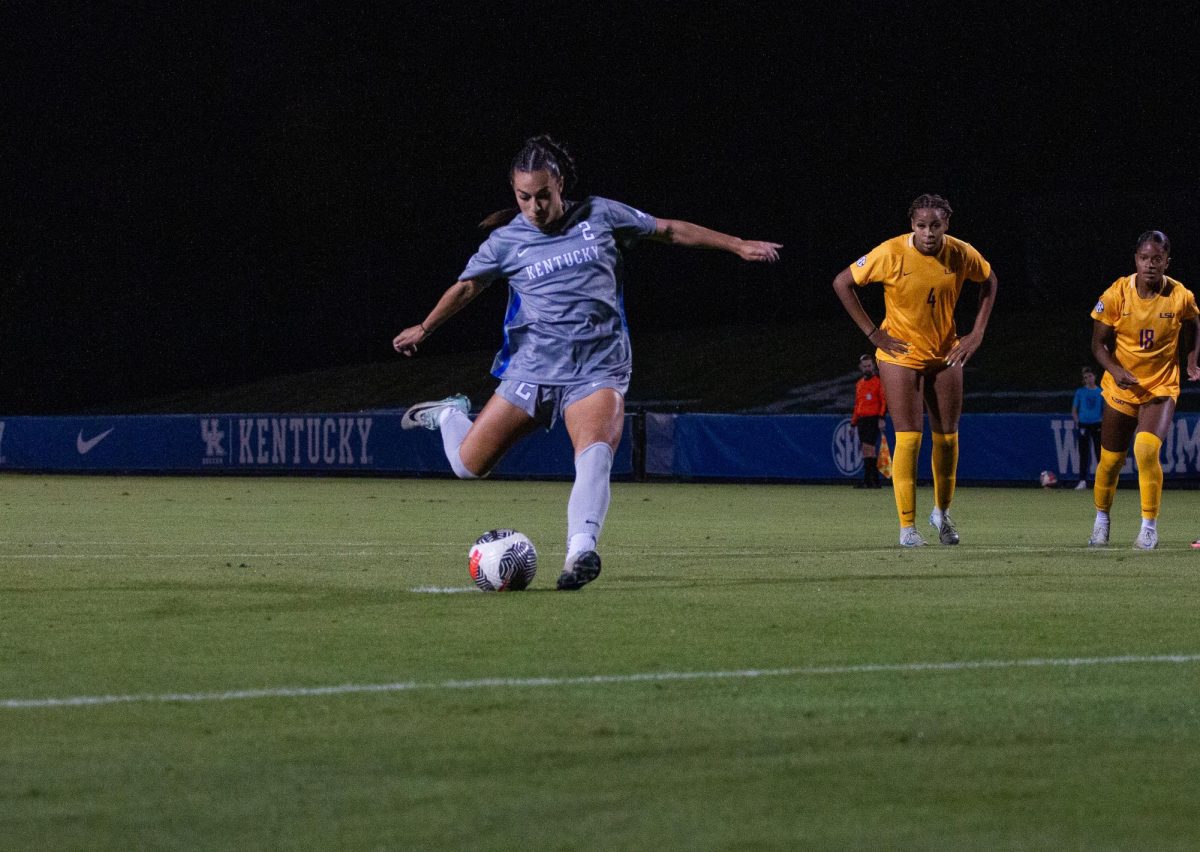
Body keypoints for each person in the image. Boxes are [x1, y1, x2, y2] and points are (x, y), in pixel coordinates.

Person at [393, 135, 781, 589]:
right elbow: (466, 288)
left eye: (543, 196)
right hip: (532, 370)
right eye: (523, 198)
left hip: (598, 368)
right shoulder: (506, 242)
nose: (534, 207)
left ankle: (581, 553)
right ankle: (450, 414)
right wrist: (425, 327)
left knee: (594, 455)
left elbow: (669, 229)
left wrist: (735, 244)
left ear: (559, 185)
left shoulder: (600, 215)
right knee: (467, 466)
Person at [832, 193, 998, 547]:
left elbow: (989, 281)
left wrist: (977, 332)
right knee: (908, 438)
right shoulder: (890, 252)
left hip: (944, 353)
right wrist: (874, 334)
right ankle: (907, 527)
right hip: (900, 354)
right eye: (921, 226)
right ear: (912, 225)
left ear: (946, 225)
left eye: (935, 225)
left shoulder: (960, 252)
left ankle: (942, 512)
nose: (928, 233)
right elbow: (841, 282)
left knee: (948, 438)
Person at [1086, 230, 1200, 550]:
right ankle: (1101, 521)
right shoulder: (1115, 295)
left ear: (1167, 261)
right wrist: (1115, 370)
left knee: (1147, 450)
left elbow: (1194, 323)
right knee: (1110, 462)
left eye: (1157, 259)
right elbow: (1097, 345)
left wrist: (1191, 358)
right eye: (1145, 258)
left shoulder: (1180, 296)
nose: (1150, 264)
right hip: (1122, 387)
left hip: (1161, 385)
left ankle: (1148, 527)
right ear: (1136, 259)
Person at [851, 353, 887, 488]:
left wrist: (881, 418)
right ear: (861, 367)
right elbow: (857, 404)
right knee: (867, 449)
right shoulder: (859, 384)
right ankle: (873, 480)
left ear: (873, 366)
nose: (867, 368)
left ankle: (869, 480)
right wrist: (853, 422)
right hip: (862, 420)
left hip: (873, 419)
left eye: (869, 365)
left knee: (869, 448)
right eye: (865, 366)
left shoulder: (878, 382)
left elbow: (883, 401)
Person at [1071, 366, 1103, 489]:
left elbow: (1104, 410)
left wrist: (1102, 422)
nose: (1088, 379)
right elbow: (1074, 410)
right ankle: (1082, 480)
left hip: (1097, 425)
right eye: (1085, 377)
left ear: (1095, 377)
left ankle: (1101, 482)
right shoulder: (1080, 392)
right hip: (1084, 425)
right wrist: (1078, 421)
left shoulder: (1101, 392)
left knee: (1099, 453)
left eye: (1090, 376)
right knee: (1083, 453)